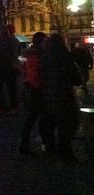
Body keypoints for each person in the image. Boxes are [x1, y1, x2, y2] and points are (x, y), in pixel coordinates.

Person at [41, 33, 83, 162]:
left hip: (48, 97)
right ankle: (65, 153)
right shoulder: (66, 57)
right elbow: (77, 79)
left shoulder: (45, 58)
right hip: (64, 97)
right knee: (68, 125)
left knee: (51, 125)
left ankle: (51, 151)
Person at [19, 32, 54, 156]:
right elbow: (35, 74)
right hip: (36, 91)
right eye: (45, 41)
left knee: (32, 119)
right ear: (41, 42)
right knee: (40, 118)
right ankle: (45, 145)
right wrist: (42, 87)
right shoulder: (37, 55)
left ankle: (27, 145)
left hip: (29, 89)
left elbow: (25, 71)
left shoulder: (27, 54)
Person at [0, 25, 20, 116]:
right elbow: (17, 54)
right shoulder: (15, 41)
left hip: (0, 67)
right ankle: (14, 107)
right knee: (12, 88)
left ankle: (2, 108)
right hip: (11, 67)